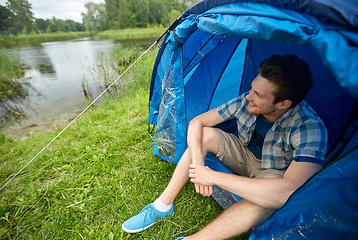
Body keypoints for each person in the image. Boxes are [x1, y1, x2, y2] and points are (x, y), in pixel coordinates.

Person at [122, 54, 328, 239]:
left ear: (283, 104)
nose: (249, 96)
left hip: (273, 174)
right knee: (205, 135)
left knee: (269, 196)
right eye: (252, 88)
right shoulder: (246, 101)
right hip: (244, 155)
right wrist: (199, 165)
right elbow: (197, 123)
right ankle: (163, 205)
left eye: (258, 94)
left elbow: (288, 191)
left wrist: (211, 177)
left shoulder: (310, 128)